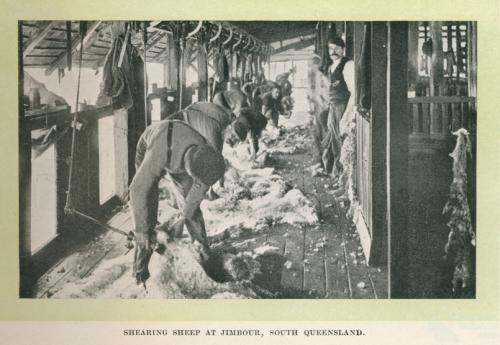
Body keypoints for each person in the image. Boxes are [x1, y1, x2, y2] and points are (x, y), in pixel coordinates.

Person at [129, 119, 226, 285]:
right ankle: (140, 273)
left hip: (181, 151)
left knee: (192, 212)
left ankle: (203, 254)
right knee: (147, 214)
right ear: (188, 170)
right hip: (153, 146)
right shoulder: (158, 153)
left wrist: (183, 217)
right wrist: (141, 230)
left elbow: (195, 196)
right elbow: (137, 190)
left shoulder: (206, 154)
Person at [322, 36, 355, 179]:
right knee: (335, 144)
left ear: (343, 49)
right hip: (333, 108)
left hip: (343, 107)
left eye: (336, 48)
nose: (333, 51)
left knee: (343, 143)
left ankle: (345, 180)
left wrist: (346, 116)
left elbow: (354, 92)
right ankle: (339, 177)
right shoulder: (331, 67)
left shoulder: (348, 65)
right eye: (330, 48)